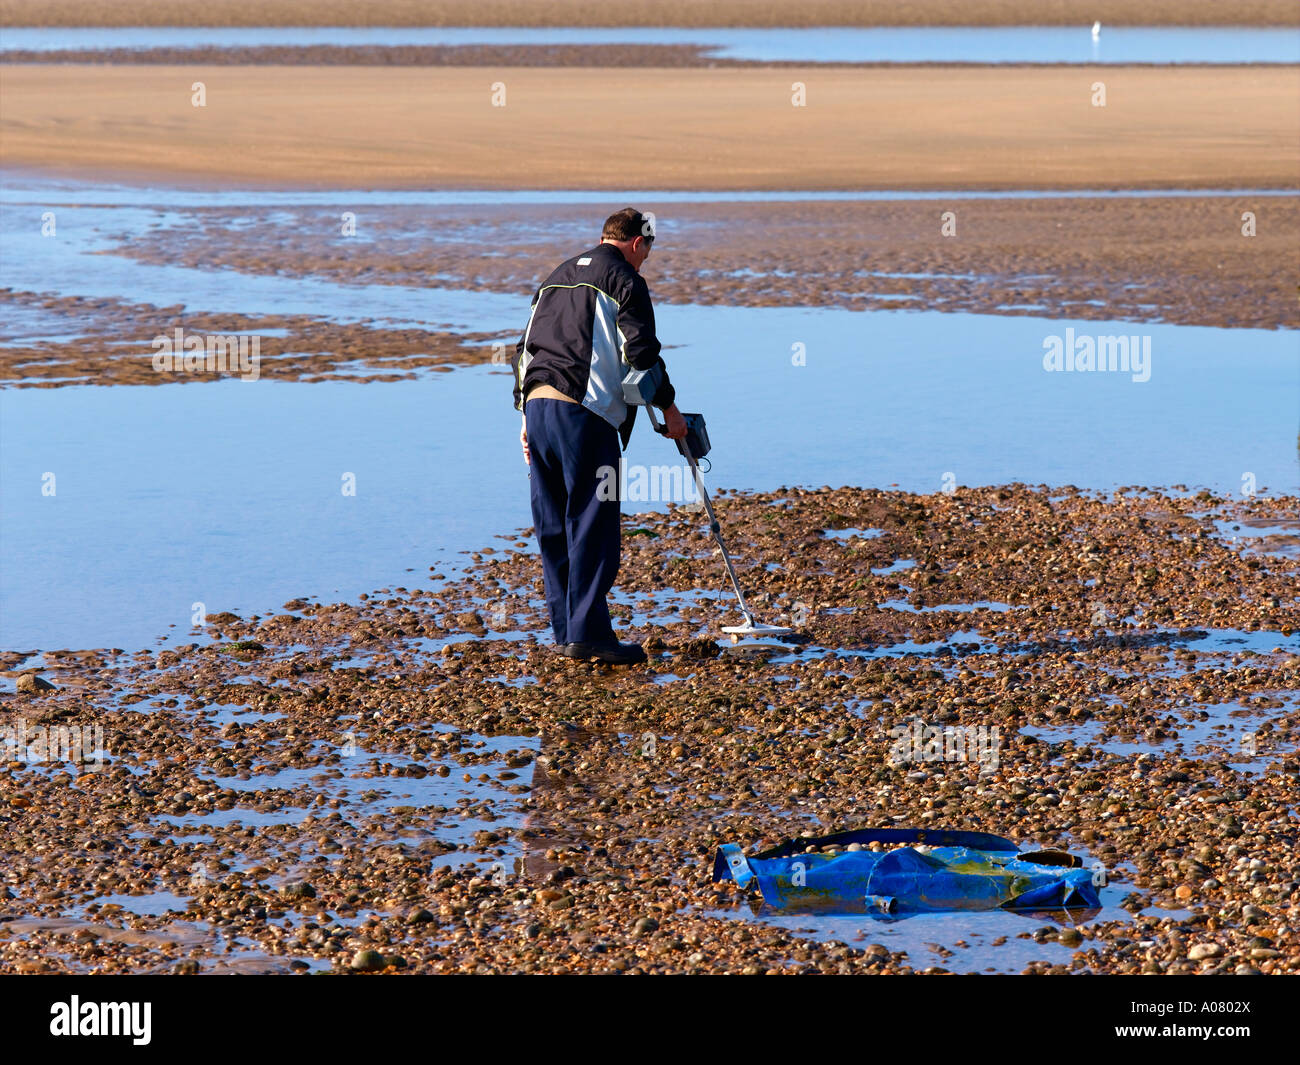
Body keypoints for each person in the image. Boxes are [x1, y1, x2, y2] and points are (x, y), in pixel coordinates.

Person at [512, 207, 687, 665]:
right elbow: (643, 353)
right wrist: (670, 410)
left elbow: (523, 351)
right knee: (593, 521)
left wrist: (523, 420)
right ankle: (589, 636)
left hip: (537, 409)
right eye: (648, 248)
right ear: (637, 242)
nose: (647, 258)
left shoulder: (555, 276)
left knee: (554, 526)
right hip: (585, 416)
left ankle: (568, 632)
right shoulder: (626, 280)